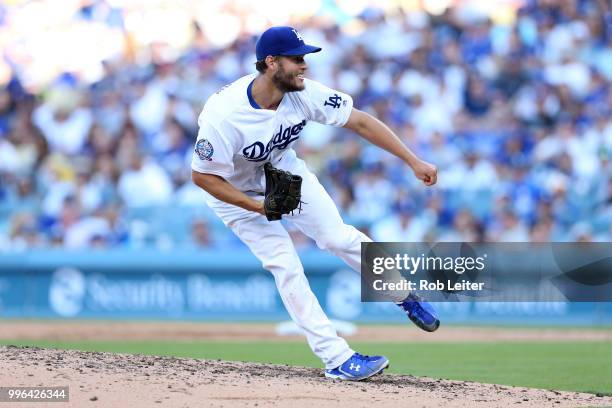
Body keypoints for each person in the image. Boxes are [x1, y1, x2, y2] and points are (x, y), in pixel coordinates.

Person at [191, 26, 440, 381]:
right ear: (271, 62)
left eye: (304, 57)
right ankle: (336, 358)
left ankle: (403, 294)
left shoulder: (302, 93)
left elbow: (362, 123)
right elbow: (203, 176)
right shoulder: (224, 114)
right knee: (285, 264)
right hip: (233, 191)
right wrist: (256, 208)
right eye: (296, 58)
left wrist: (413, 160)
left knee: (337, 237)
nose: (304, 65)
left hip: (281, 174)